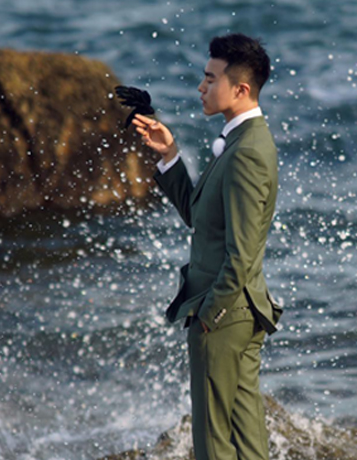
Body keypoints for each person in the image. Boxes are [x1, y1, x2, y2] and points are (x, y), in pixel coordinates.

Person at [132, 33, 282, 460]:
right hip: (240, 310)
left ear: (241, 89)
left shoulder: (246, 151)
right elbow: (203, 219)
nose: (201, 87)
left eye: (210, 79)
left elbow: (242, 253)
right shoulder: (240, 141)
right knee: (247, 440)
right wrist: (169, 154)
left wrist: (209, 316)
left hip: (224, 312)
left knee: (212, 442)